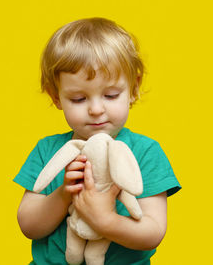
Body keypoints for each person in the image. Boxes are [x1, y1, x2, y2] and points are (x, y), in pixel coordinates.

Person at [14, 17, 181, 265]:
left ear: (133, 89)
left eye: (111, 95)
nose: (95, 109)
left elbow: (153, 232)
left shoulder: (146, 152)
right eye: (79, 99)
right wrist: (63, 195)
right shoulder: (47, 150)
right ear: (56, 97)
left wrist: (106, 220)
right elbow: (28, 225)